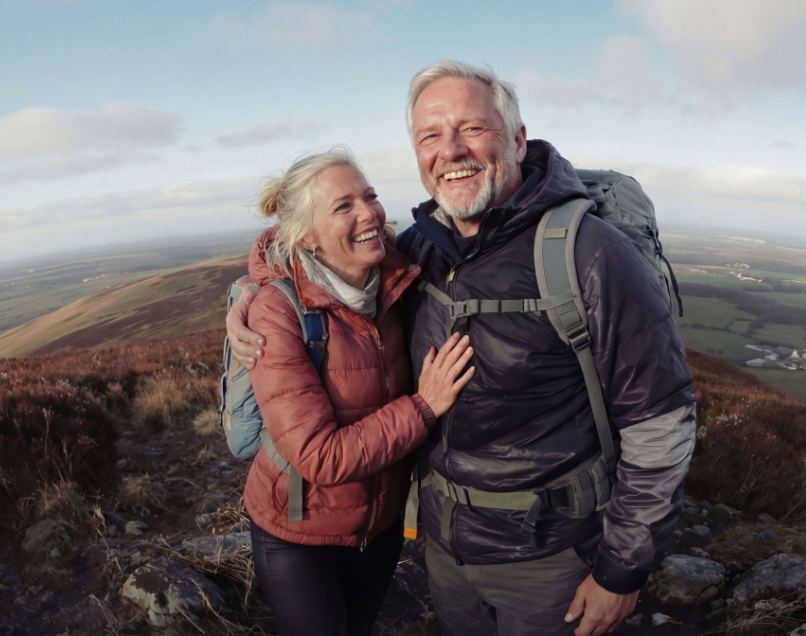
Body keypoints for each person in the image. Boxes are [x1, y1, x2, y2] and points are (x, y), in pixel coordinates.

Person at [230, 62, 696, 636]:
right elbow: (316, 265)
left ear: (518, 139)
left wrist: (622, 573)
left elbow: (659, 423)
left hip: (549, 561)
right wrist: (251, 295)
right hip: (445, 555)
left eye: (472, 128)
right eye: (430, 135)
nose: (450, 150)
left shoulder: (590, 255)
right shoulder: (418, 252)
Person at [241, 149, 477, 636]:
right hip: (298, 533)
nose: (368, 213)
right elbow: (320, 457)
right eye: (343, 206)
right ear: (306, 236)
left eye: (369, 196)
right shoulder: (276, 313)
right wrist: (424, 406)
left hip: (381, 525)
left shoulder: (397, 276)